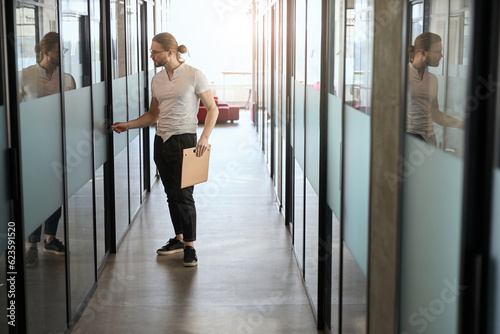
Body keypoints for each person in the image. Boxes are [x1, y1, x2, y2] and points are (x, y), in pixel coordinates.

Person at [111, 32, 218, 267]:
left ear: (170, 52)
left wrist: (205, 137)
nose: (151, 55)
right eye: (151, 51)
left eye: (155, 51)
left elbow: (212, 109)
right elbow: (153, 114)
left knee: (185, 195)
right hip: (161, 141)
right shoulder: (157, 79)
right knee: (171, 194)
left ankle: (190, 246)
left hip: (186, 141)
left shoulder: (194, 75)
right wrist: (127, 125)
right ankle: (179, 239)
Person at [19, 32, 76, 267]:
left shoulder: (67, 79)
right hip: (32, 145)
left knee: (56, 192)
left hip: (59, 144)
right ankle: (31, 242)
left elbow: (74, 111)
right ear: (45, 52)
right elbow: (14, 108)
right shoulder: (25, 75)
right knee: (34, 193)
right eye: (58, 51)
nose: (61, 55)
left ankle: (50, 238)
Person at [407, 32, 464, 146]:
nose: (441, 56)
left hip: (430, 139)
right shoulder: (403, 75)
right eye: (438, 52)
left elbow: (435, 114)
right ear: (423, 52)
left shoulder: (432, 79)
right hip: (409, 138)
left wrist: (461, 124)